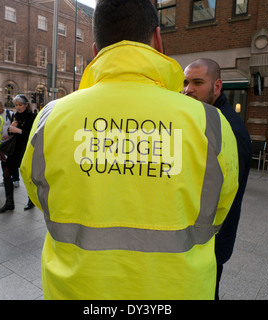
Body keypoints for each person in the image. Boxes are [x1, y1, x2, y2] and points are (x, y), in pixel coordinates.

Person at [21, 0, 238, 300]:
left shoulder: (49, 118)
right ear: (158, 40)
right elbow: (219, 209)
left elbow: (41, 197)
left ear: (96, 51)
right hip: (177, 291)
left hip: (77, 292)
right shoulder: (211, 122)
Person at [183, 58, 252, 299]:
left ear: (217, 86)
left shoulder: (225, 127)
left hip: (211, 243)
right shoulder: (208, 118)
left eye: (197, 82)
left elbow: (227, 193)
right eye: (185, 82)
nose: (187, 89)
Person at [0, 95, 36, 213]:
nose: (18, 107)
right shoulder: (15, 115)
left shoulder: (32, 116)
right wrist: (10, 129)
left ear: (26, 105)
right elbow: (11, 132)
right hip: (15, 148)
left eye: (20, 105)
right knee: (7, 171)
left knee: (27, 175)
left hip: (26, 149)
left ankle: (31, 200)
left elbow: (31, 134)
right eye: (16, 105)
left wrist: (17, 130)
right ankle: (9, 203)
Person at [0, 100, 21, 189]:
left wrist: (9, 135)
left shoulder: (10, 114)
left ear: (2, 106)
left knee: (13, 161)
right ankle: (6, 179)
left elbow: (15, 126)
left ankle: (16, 180)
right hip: (0, 142)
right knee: (3, 161)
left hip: (10, 142)